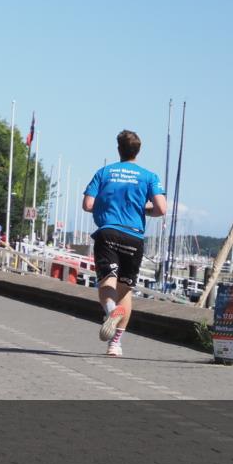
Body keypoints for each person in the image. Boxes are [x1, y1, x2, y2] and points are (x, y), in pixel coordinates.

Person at [82, 130, 167, 357]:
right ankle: (115, 344)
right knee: (125, 289)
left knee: (106, 282)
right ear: (138, 151)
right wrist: (142, 209)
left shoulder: (104, 173)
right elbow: (161, 209)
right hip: (133, 236)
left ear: (118, 149)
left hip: (108, 232)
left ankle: (111, 310)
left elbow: (87, 204)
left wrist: (106, 205)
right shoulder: (149, 177)